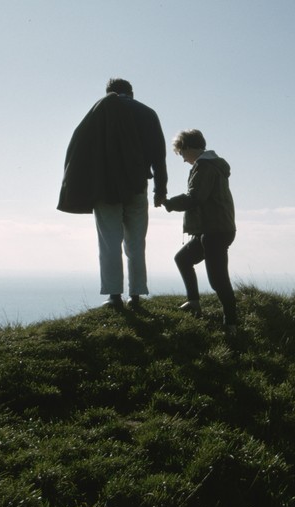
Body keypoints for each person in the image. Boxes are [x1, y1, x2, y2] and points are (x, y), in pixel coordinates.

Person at [58, 78, 168, 308]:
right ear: (131, 92)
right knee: (136, 243)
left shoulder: (98, 111)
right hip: (137, 185)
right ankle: (136, 296)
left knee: (109, 242)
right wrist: (161, 188)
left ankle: (114, 296)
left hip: (106, 188)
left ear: (108, 93)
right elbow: (159, 155)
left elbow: (80, 149)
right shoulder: (147, 113)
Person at [163, 129, 238, 333]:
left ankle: (231, 323)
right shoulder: (212, 165)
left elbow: (195, 197)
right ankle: (194, 303)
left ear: (188, 147)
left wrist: (169, 203)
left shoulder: (204, 166)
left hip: (215, 230)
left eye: (181, 153)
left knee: (218, 279)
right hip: (215, 228)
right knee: (183, 259)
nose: (182, 159)